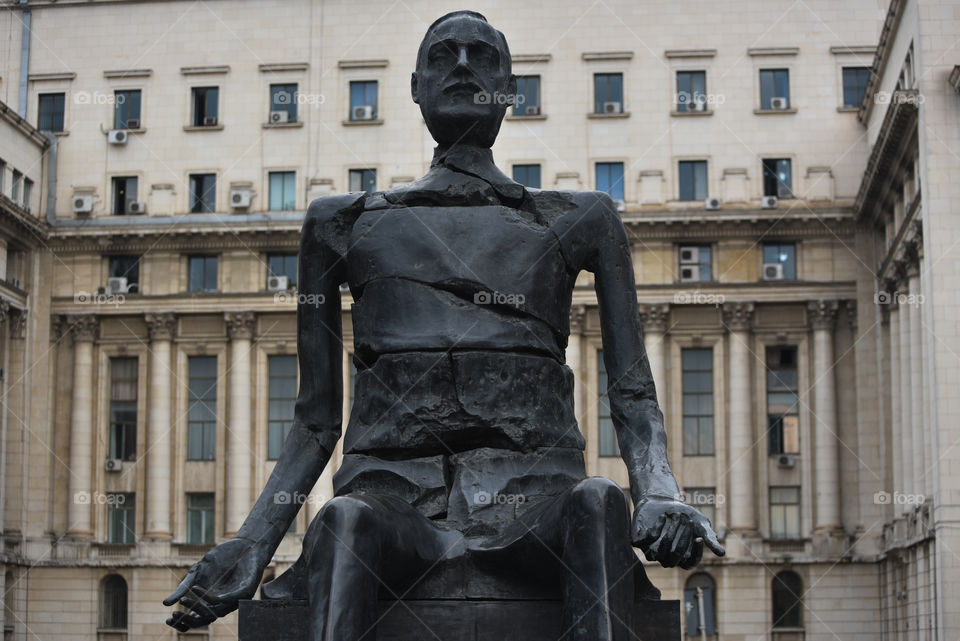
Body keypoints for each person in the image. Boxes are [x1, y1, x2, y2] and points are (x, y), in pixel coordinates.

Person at [165, 11, 723, 641]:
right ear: (415, 87)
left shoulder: (583, 218)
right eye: (443, 55)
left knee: (599, 502)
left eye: (480, 56)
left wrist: (657, 491)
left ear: (509, 89)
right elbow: (315, 421)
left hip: (536, 504)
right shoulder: (337, 223)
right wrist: (253, 543)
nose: (461, 66)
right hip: (395, 505)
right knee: (343, 520)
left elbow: (633, 390)